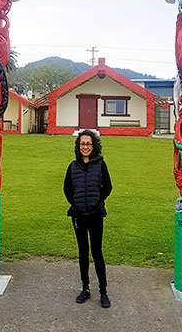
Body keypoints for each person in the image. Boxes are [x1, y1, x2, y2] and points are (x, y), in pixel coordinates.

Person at [64, 130, 112, 308]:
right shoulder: (73, 166)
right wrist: (76, 203)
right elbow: (67, 188)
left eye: (88, 144)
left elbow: (108, 186)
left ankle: (103, 291)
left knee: (97, 253)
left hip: (96, 215)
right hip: (78, 216)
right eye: (82, 143)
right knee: (83, 253)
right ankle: (85, 289)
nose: (85, 147)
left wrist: (97, 201)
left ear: (94, 146)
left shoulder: (100, 164)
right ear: (78, 146)